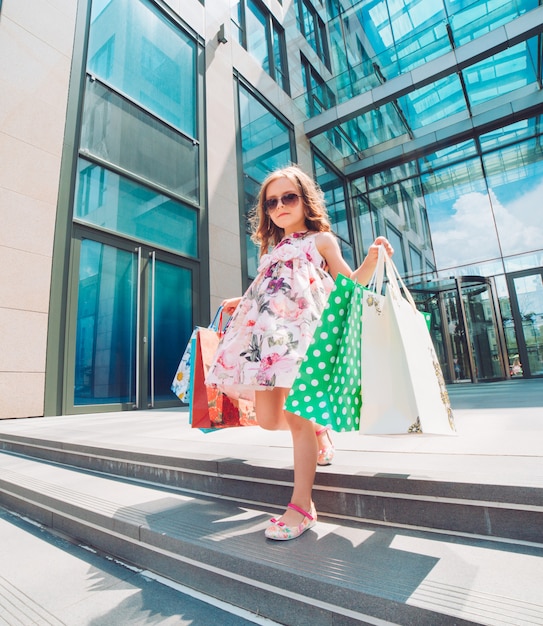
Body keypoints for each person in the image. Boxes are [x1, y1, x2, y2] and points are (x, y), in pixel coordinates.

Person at [206, 165, 393, 541]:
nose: (279, 206)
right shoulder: (271, 249)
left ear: (305, 201)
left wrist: (370, 263)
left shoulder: (320, 240)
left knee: (294, 418)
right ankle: (320, 431)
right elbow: (274, 291)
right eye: (272, 202)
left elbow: (348, 283)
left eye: (288, 197)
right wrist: (241, 300)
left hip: (303, 339)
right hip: (268, 343)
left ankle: (302, 506)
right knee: (266, 419)